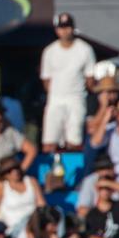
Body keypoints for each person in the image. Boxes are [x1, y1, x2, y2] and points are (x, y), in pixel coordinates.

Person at [39, 12, 96, 153]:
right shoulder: (49, 52)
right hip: (55, 99)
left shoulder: (85, 50)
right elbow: (46, 79)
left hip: (76, 98)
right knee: (49, 142)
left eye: (68, 27)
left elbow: (90, 79)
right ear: (57, 30)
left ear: (73, 28)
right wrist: (55, 93)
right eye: (62, 27)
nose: (65, 31)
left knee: (74, 141)